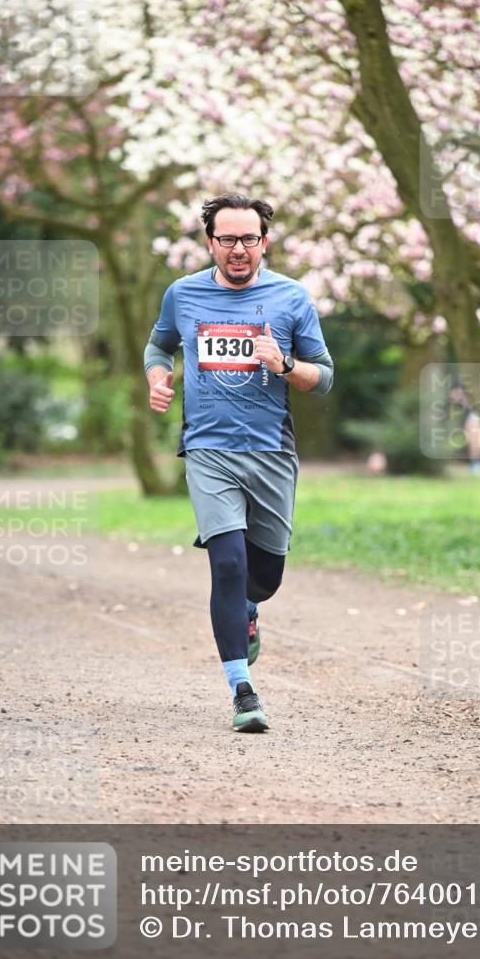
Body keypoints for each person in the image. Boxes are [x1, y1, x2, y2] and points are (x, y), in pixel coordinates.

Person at [144, 193, 334, 733]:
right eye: (226, 239)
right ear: (210, 243)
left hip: (271, 452)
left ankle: (250, 608)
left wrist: (286, 364)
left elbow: (325, 378)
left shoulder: (291, 298)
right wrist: (158, 377)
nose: (237, 249)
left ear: (264, 242)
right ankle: (242, 690)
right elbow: (158, 347)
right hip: (208, 450)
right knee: (226, 563)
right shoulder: (182, 295)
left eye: (248, 238)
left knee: (264, 577)